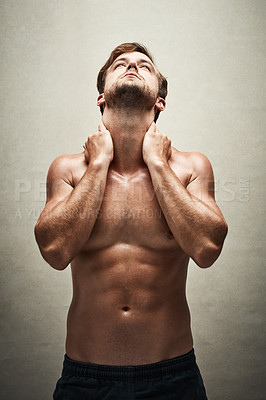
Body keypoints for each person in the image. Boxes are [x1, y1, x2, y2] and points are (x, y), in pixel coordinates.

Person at [35, 42, 228, 399]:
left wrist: (156, 163)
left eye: (144, 65)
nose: (132, 66)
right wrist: (98, 163)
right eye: (120, 64)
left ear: (160, 102)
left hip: (174, 378)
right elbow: (55, 252)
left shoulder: (190, 168)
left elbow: (206, 249)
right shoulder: (69, 170)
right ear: (101, 97)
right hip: (85, 380)